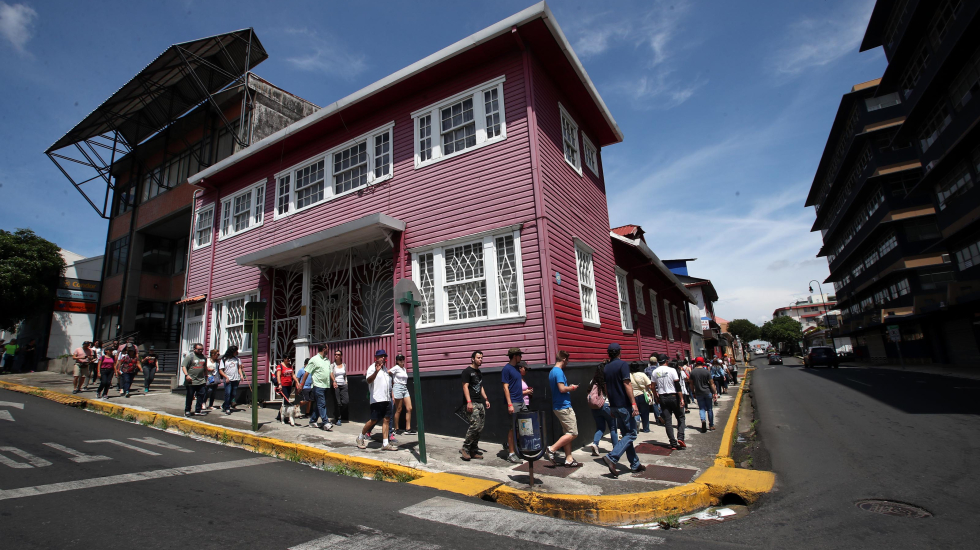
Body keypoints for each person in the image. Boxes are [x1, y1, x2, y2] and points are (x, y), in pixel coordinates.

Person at [600, 343, 644, 477]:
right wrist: (634, 403)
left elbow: (606, 387)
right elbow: (627, 384)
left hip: (614, 405)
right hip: (624, 405)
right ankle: (612, 457)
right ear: (619, 352)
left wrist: (611, 405)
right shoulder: (623, 365)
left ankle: (635, 464)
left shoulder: (606, 368)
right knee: (632, 434)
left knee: (626, 435)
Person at [544, 351, 581, 468]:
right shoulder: (559, 371)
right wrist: (572, 387)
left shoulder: (552, 372)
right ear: (564, 359)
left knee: (567, 433)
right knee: (573, 433)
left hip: (558, 406)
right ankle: (551, 449)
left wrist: (567, 387)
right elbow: (561, 389)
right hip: (564, 406)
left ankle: (569, 459)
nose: (568, 362)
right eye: (567, 360)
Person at [357, 350, 394, 451]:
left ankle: (385, 443)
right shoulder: (372, 368)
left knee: (387, 419)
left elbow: (388, 385)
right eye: (381, 356)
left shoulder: (386, 370)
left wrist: (391, 395)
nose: (383, 358)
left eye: (384, 356)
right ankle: (360, 437)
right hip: (377, 399)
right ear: (376, 358)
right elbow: (368, 380)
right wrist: (376, 372)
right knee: (373, 420)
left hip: (387, 399)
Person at [460, 350, 490, 461]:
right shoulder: (467, 372)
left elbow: (480, 386)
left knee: (480, 427)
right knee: (475, 426)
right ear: (472, 359)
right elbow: (465, 387)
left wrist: (486, 399)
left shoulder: (479, 372)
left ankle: (473, 450)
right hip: (471, 402)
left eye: (481, 358)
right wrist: (468, 402)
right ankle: (465, 448)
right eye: (478, 358)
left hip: (479, 402)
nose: (480, 360)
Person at [585, 361, 618, 456]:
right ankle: (616, 448)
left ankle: (595, 444)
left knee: (600, 427)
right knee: (613, 427)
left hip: (595, 407)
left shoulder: (592, 381)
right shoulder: (608, 380)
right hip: (607, 406)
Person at [653, 359, 687, 450]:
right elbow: (677, 385)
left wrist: (656, 396)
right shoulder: (672, 370)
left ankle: (673, 443)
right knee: (681, 417)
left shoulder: (655, 371)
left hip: (662, 397)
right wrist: (681, 398)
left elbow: (652, 386)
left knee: (668, 421)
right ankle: (680, 437)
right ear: (666, 362)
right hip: (673, 396)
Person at [501, 347, 526, 464]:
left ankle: (517, 448)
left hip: (521, 401)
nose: (521, 357)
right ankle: (511, 454)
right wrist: (510, 404)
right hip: (514, 402)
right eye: (520, 355)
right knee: (512, 428)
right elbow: (505, 387)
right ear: (515, 356)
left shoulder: (517, 368)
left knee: (523, 426)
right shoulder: (506, 369)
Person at [305, 344, 334, 430]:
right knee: (322, 404)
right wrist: (301, 384)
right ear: (324, 349)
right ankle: (325, 422)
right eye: (328, 348)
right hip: (318, 386)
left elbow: (330, 372)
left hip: (326, 385)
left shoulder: (327, 360)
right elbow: (307, 372)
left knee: (319, 405)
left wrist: (334, 381)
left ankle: (312, 421)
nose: (328, 350)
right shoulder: (314, 359)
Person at [690, 358, 717, 433]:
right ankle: (711, 425)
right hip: (707, 392)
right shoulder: (706, 372)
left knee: (701, 408)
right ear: (703, 362)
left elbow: (691, 384)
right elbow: (711, 383)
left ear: (696, 363)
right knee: (709, 409)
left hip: (698, 393)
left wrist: (693, 392)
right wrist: (715, 392)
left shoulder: (693, 372)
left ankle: (703, 420)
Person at [181, 343, 208, 417]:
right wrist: (186, 375)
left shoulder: (204, 357)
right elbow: (184, 366)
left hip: (201, 380)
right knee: (190, 396)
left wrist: (206, 376)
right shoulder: (190, 357)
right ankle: (187, 410)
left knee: (201, 395)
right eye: (199, 349)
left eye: (202, 349)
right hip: (191, 381)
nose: (200, 351)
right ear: (194, 349)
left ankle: (198, 410)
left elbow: (205, 367)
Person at [390, 354, 414, 435]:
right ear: (397, 361)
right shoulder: (396, 368)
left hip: (404, 387)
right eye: (400, 359)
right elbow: (388, 372)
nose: (402, 361)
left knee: (409, 408)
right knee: (399, 409)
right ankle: (396, 428)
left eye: (403, 359)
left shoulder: (404, 369)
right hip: (398, 387)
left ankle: (408, 428)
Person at [219, 346, 243, 415]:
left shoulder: (237, 359)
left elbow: (239, 368)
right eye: (236, 351)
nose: (237, 352)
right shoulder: (224, 359)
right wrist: (226, 377)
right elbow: (221, 370)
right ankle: (227, 408)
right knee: (228, 393)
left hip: (235, 378)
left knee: (233, 394)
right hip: (228, 379)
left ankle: (224, 405)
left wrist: (241, 375)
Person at [274, 357, 296, 422]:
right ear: (284, 359)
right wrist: (279, 384)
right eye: (288, 359)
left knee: (286, 400)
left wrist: (297, 382)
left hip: (289, 385)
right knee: (286, 401)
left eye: (289, 359)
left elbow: (293, 375)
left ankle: (280, 415)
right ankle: (284, 416)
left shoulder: (290, 366)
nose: (289, 360)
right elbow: (278, 375)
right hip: (283, 385)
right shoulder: (280, 366)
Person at [331, 350, 348, 425]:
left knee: (345, 401)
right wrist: (334, 381)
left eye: (338, 354)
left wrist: (346, 382)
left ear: (341, 356)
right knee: (338, 402)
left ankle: (336, 413)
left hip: (343, 385)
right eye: (335, 354)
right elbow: (331, 373)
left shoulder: (344, 365)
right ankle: (338, 418)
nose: (336, 355)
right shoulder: (332, 365)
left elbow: (345, 375)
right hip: (336, 385)